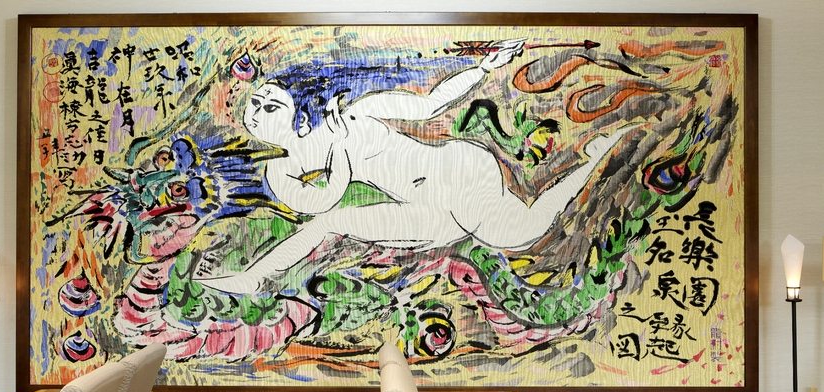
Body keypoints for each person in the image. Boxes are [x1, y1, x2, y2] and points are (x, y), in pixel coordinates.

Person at [199, 39, 634, 294]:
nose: (257, 111)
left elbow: (429, 106)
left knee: (528, 229)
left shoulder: (359, 111)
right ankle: (254, 277)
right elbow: (318, 205)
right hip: (428, 212)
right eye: (254, 105)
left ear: (299, 110)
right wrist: (339, 164)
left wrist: (483, 68)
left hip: (458, 170)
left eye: (270, 104)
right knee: (332, 222)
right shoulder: (279, 171)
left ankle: (595, 157)